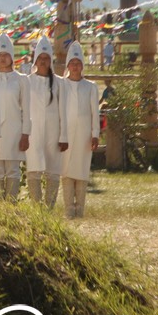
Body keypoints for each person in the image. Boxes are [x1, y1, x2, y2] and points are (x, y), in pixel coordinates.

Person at [59, 42, 100, 219]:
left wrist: (95, 134)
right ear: (68, 65)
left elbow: (94, 113)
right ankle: (69, 209)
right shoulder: (61, 85)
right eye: (72, 63)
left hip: (84, 135)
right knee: (66, 171)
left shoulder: (90, 87)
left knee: (81, 171)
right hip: (65, 135)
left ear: (82, 65)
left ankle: (80, 209)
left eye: (78, 63)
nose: (75, 66)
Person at [0, 33, 29, 200]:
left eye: (6, 55)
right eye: (0, 55)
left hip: (14, 131)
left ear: (12, 57)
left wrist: (25, 134)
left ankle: (11, 204)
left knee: (12, 169)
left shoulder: (21, 80)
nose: (3, 58)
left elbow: (27, 110)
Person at [25, 37, 64, 208]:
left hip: (54, 131)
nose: (43, 61)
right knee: (34, 165)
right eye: (40, 58)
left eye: (46, 58)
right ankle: (36, 206)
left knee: (53, 168)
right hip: (33, 131)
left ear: (51, 60)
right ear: (35, 59)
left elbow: (63, 110)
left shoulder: (59, 83)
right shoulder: (27, 81)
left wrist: (64, 135)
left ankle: (49, 206)